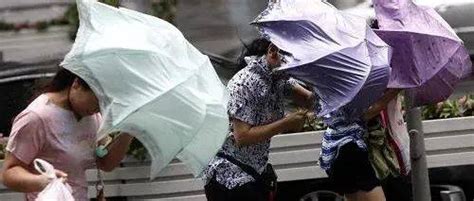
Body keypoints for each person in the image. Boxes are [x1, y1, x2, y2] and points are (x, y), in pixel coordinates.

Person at [203, 38, 314, 201]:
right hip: (230, 178)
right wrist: (286, 123)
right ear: (272, 51)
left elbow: (310, 100)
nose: (293, 67)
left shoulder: (278, 77)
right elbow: (242, 137)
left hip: (253, 175)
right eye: (291, 60)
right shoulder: (245, 83)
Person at [0, 68, 134, 201]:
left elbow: (106, 163)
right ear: (77, 84)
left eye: (106, 104)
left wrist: (130, 128)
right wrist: (43, 181)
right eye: (98, 100)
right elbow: (9, 172)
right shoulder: (37, 117)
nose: (99, 109)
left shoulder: (91, 116)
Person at [319, 88, 401, 201]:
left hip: (335, 148)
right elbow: (366, 113)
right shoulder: (347, 87)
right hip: (349, 149)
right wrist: (396, 89)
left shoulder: (330, 87)